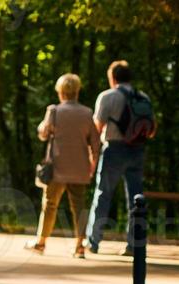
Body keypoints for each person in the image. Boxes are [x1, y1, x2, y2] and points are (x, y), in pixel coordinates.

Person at [86, 60, 156, 254]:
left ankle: (93, 241)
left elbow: (96, 130)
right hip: (138, 150)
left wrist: (92, 154)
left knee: (103, 195)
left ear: (112, 78)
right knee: (136, 198)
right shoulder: (143, 97)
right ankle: (135, 244)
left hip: (114, 150)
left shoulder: (107, 96)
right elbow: (152, 131)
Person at [28, 73, 100, 258]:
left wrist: (44, 128)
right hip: (80, 168)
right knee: (78, 207)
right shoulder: (87, 113)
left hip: (57, 167)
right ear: (77, 91)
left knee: (50, 205)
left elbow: (43, 134)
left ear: (61, 92)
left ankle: (41, 242)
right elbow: (95, 142)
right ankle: (79, 246)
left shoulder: (54, 111)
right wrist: (93, 164)